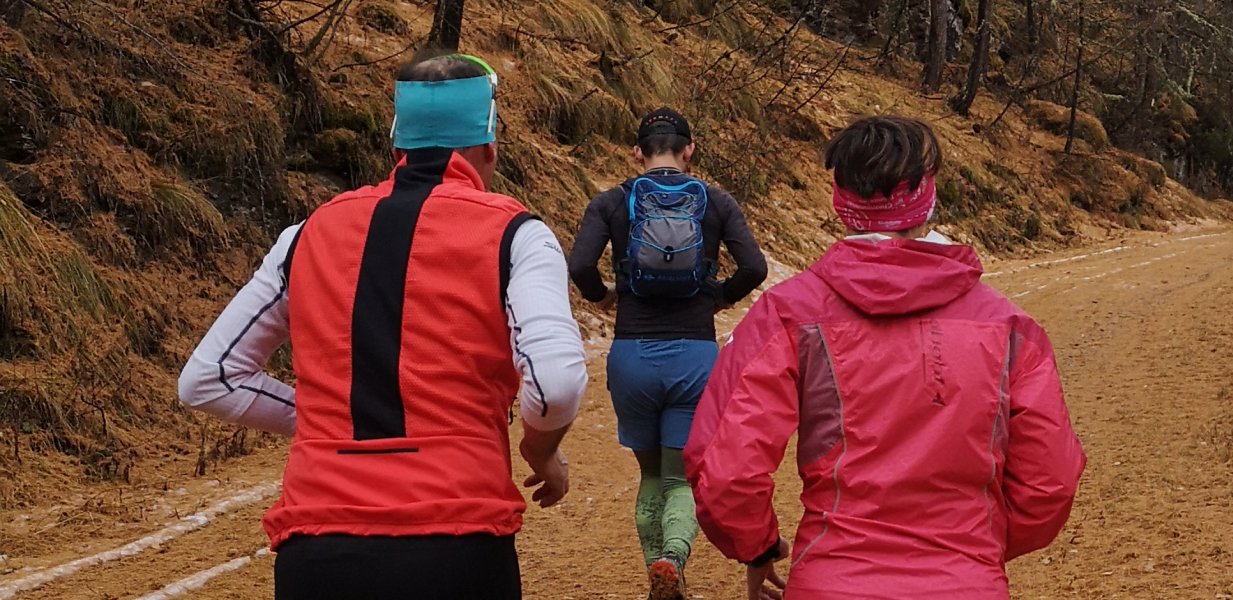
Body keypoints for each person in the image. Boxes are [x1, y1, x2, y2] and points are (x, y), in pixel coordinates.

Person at [176, 53, 587, 600]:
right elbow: (554, 386)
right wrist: (541, 450)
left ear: (396, 144)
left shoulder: (305, 235)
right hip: (456, 539)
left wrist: (332, 414)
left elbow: (209, 378)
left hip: (318, 545)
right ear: (490, 145)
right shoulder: (518, 235)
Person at [686, 116, 1087, 600]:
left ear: (839, 201)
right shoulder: (1009, 328)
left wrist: (758, 547)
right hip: (965, 582)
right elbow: (1051, 482)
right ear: (928, 195)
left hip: (834, 580)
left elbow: (726, 469)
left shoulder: (788, 315)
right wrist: (970, 552)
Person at [568, 107, 768, 600]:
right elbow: (756, 267)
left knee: (650, 474)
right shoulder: (715, 203)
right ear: (689, 148)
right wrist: (719, 296)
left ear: (637, 151)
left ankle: (654, 575)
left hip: (632, 354)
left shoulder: (613, 202)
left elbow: (579, 265)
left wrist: (603, 298)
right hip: (694, 355)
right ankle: (672, 560)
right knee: (682, 478)